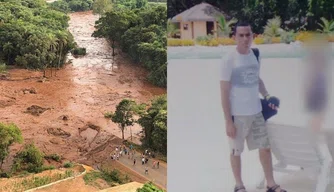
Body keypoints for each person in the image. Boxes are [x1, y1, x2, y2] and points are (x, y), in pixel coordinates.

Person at [220, 21, 286, 192]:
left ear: (252, 36)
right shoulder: (228, 59)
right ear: (234, 37)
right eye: (241, 35)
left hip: (257, 112)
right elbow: (224, 92)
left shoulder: (256, 54)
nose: (245, 38)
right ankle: (239, 185)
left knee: (265, 148)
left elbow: (257, 79)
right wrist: (228, 121)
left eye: (248, 34)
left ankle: (271, 184)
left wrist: (267, 95)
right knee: (236, 151)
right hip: (237, 115)